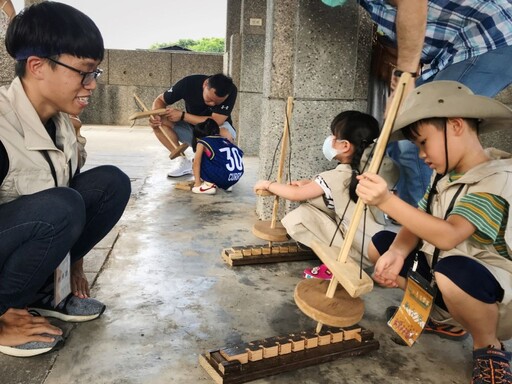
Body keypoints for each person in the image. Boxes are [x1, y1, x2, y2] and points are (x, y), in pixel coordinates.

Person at [356, 81, 512, 384]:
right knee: (383, 243)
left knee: (453, 272)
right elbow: (420, 221)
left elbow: (449, 236)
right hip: (446, 271)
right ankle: (446, 319)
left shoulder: (496, 180)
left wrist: (387, 200)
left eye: (423, 142)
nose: (422, 154)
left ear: (455, 125)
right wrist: (397, 252)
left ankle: (488, 345)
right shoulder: (444, 176)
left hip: (494, 296)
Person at [0, 2, 131, 357]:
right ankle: (6, 314)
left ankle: (46, 293)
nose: (92, 85)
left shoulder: (62, 124)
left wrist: (73, 263)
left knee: (111, 184)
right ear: (37, 67)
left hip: (19, 239)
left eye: (96, 74)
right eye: (84, 73)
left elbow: (66, 190)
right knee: (61, 206)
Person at [324, 0, 512, 207]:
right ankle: (411, 222)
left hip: (491, 35)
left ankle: (423, 227)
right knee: (401, 130)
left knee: (415, 137)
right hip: (457, 49)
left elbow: (412, 3)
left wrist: (406, 74)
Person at [254, 110, 399, 279]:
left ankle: (339, 262)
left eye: (333, 136)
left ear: (345, 145)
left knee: (300, 216)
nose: (330, 140)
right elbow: (336, 192)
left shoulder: (337, 177)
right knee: (316, 204)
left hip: (357, 248)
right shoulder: (375, 170)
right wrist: (311, 183)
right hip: (375, 243)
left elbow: (296, 194)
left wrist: (268, 184)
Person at [149, 73, 238, 178]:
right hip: (194, 131)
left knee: (225, 134)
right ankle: (182, 161)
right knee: (159, 123)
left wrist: (183, 116)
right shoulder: (188, 83)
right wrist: (155, 114)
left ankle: (222, 167)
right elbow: (160, 100)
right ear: (205, 84)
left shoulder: (231, 90)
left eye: (217, 102)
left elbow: (216, 121)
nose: (212, 104)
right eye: (209, 99)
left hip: (217, 131)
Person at [191, 118, 244, 195]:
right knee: (219, 159)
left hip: (221, 176)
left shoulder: (203, 141)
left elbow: (196, 163)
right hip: (235, 177)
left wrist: (197, 184)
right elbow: (240, 154)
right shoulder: (225, 140)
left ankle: (208, 185)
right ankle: (225, 185)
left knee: (197, 159)